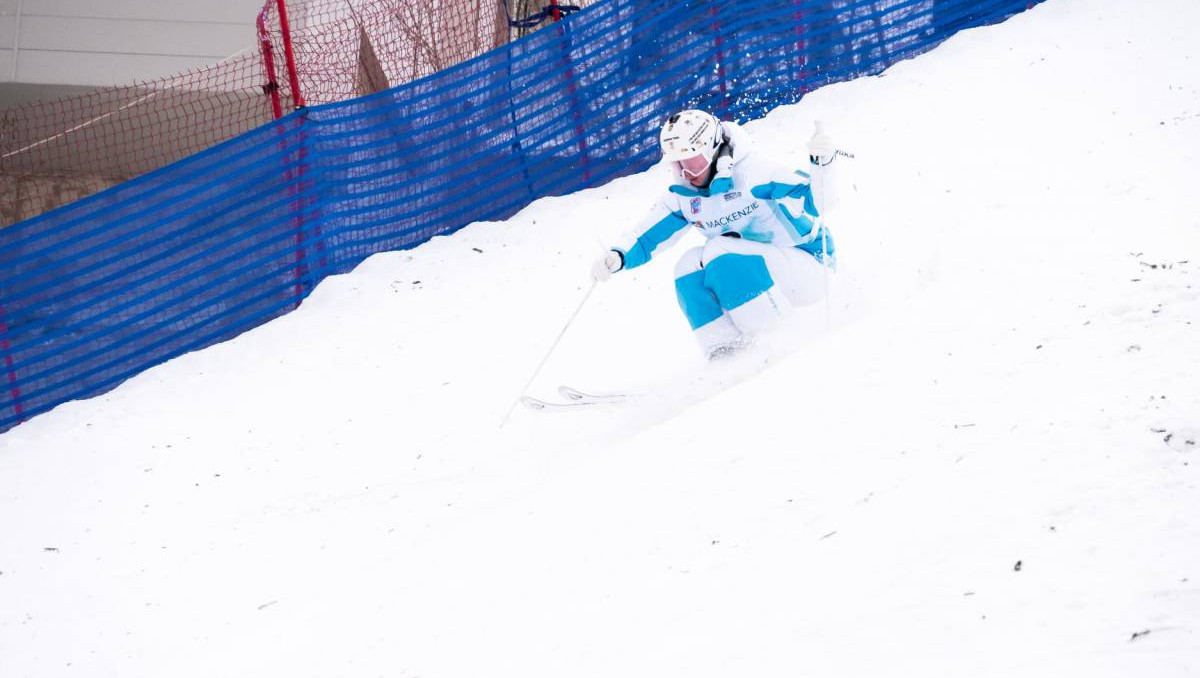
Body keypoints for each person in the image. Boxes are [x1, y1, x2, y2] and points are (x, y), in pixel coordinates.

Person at [591, 109, 839, 359]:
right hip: (759, 276)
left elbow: (820, 203)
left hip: (810, 266)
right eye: (678, 164)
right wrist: (618, 256)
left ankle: (773, 341)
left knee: (719, 251)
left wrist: (823, 166)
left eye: (694, 161)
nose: (687, 172)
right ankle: (725, 353)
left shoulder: (754, 173)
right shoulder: (683, 195)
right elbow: (647, 238)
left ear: (712, 150)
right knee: (688, 266)